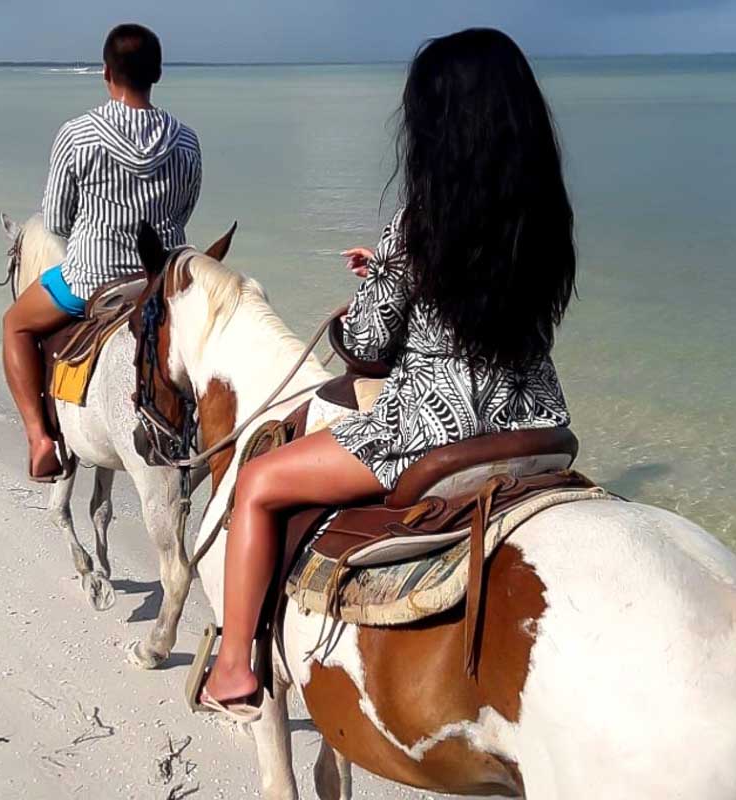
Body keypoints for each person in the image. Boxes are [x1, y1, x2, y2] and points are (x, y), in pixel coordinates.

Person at [198, 28, 576, 720]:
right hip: (535, 428)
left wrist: (358, 307)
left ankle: (231, 669)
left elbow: (368, 348)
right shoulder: (546, 214)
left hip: (432, 431)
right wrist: (391, 272)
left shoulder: (419, 222)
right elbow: (480, 309)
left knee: (255, 484)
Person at [2, 23, 202, 481]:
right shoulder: (187, 140)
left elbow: (54, 221)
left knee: (15, 324)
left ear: (107, 73)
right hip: (163, 281)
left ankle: (38, 441)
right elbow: (186, 207)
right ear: (158, 73)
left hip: (92, 279)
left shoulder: (78, 134)